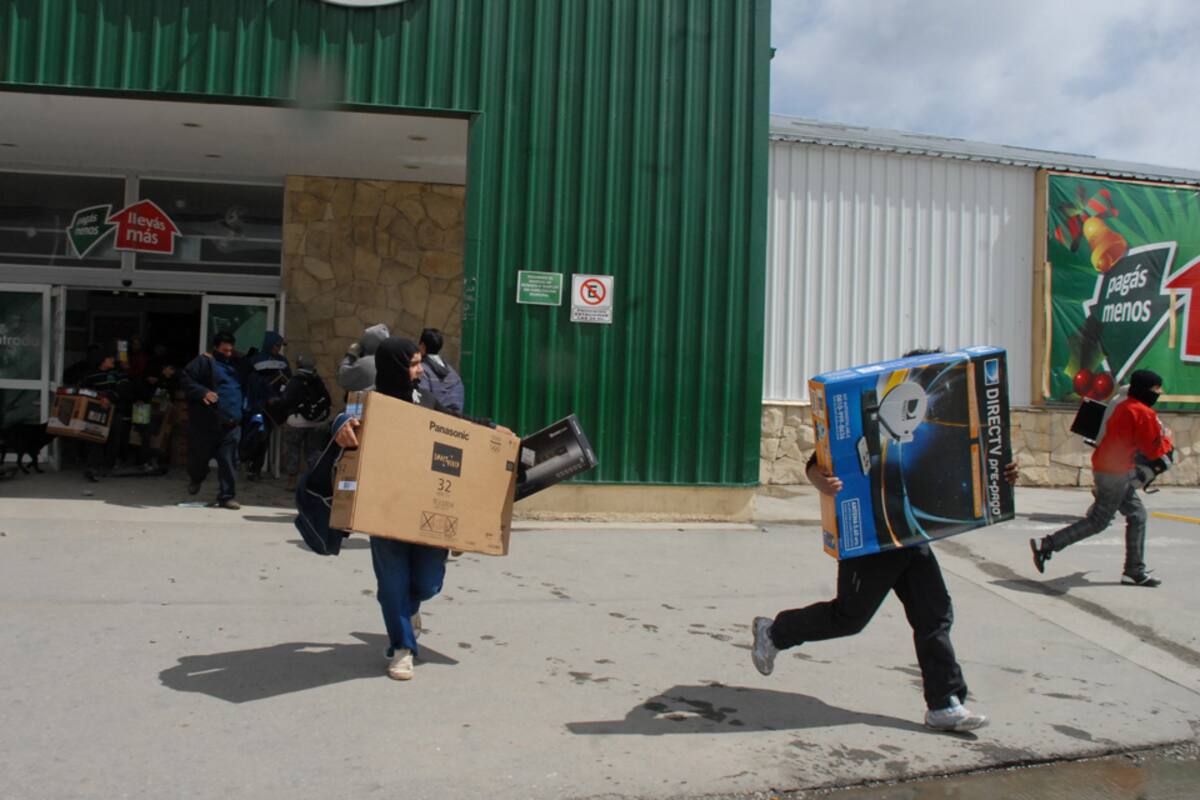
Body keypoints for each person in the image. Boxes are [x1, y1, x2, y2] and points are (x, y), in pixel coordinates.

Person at [750, 349, 1019, 733]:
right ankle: (774, 632)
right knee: (849, 618)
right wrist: (821, 481)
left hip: (911, 538)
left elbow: (976, 472)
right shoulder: (868, 423)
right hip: (873, 539)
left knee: (935, 613)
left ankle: (944, 703)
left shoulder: (938, 429)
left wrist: (1003, 474)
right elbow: (816, 464)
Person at [295, 337, 511, 681]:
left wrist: (490, 428)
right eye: (411, 364)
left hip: (428, 505)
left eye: (418, 363)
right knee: (392, 582)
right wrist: (342, 429)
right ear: (394, 366)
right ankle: (401, 648)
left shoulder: (424, 398)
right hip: (384, 508)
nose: (418, 370)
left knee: (428, 583)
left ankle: (408, 611)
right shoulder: (369, 403)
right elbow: (340, 421)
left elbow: (455, 422)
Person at [1031, 369, 1173, 587]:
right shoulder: (1143, 413)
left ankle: (1134, 571)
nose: (1159, 393)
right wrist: (1167, 442)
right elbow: (1154, 450)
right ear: (1145, 389)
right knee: (1098, 522)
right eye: (1156, 389)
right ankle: (1047, 544)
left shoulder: (1123, 404)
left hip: (1109, 468)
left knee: (1137, 515)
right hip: (1116, 473)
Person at [180, 331, 246, 510]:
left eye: (231, 350)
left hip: (230, 424)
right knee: (198, 460)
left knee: (229, 462)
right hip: (206, 425)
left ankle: (227, 496)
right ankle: (196, 478)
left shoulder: (237, 365)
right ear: (216, 348)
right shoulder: (204, 362)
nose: (228, 354)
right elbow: (186, 380)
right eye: (225, 350)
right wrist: (203, 392)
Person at [78, 344, 133, 482]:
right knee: (95, 438)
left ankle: (108, 467)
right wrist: (99, 398)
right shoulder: (91, 374)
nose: (113, 360)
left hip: (116, 411)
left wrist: (110, 398)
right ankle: (92, 468)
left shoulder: (117, 373)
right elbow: (83, 390)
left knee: (114, 439)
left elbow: (124, 389)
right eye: (110, 358)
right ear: (103, 360)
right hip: (96, 412)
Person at [278, 354, 331, 487]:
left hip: (296, 422)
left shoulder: (294, 381)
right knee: (313, 451)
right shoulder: (317, 380)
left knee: (293, 450)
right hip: (316, 422)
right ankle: (317, 480)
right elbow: (327, 399)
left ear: (298, 365)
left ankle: (292, 482)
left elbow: (286, 400)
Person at [244, 331, 291, 479]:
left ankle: (255, 469)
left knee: (264, 438)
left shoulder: (283, 361)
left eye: (280, 346)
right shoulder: (255, 360)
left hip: (273, 408)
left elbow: (288, 381)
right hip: (257, 404)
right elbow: (249, 381)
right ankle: (245, 459)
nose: (278, 348)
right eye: (276, 345)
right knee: (254, 434)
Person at [417, 328, 465, 413]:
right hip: (451, 423)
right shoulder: (455, 376)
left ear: (423, 346)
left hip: (429, 422)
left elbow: (422, 404)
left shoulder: (420, 371)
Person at [336, 323, 391, 394]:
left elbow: (342, 378)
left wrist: (350, 356)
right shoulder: (389, 362)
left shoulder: (366, 363)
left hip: (360, 403)